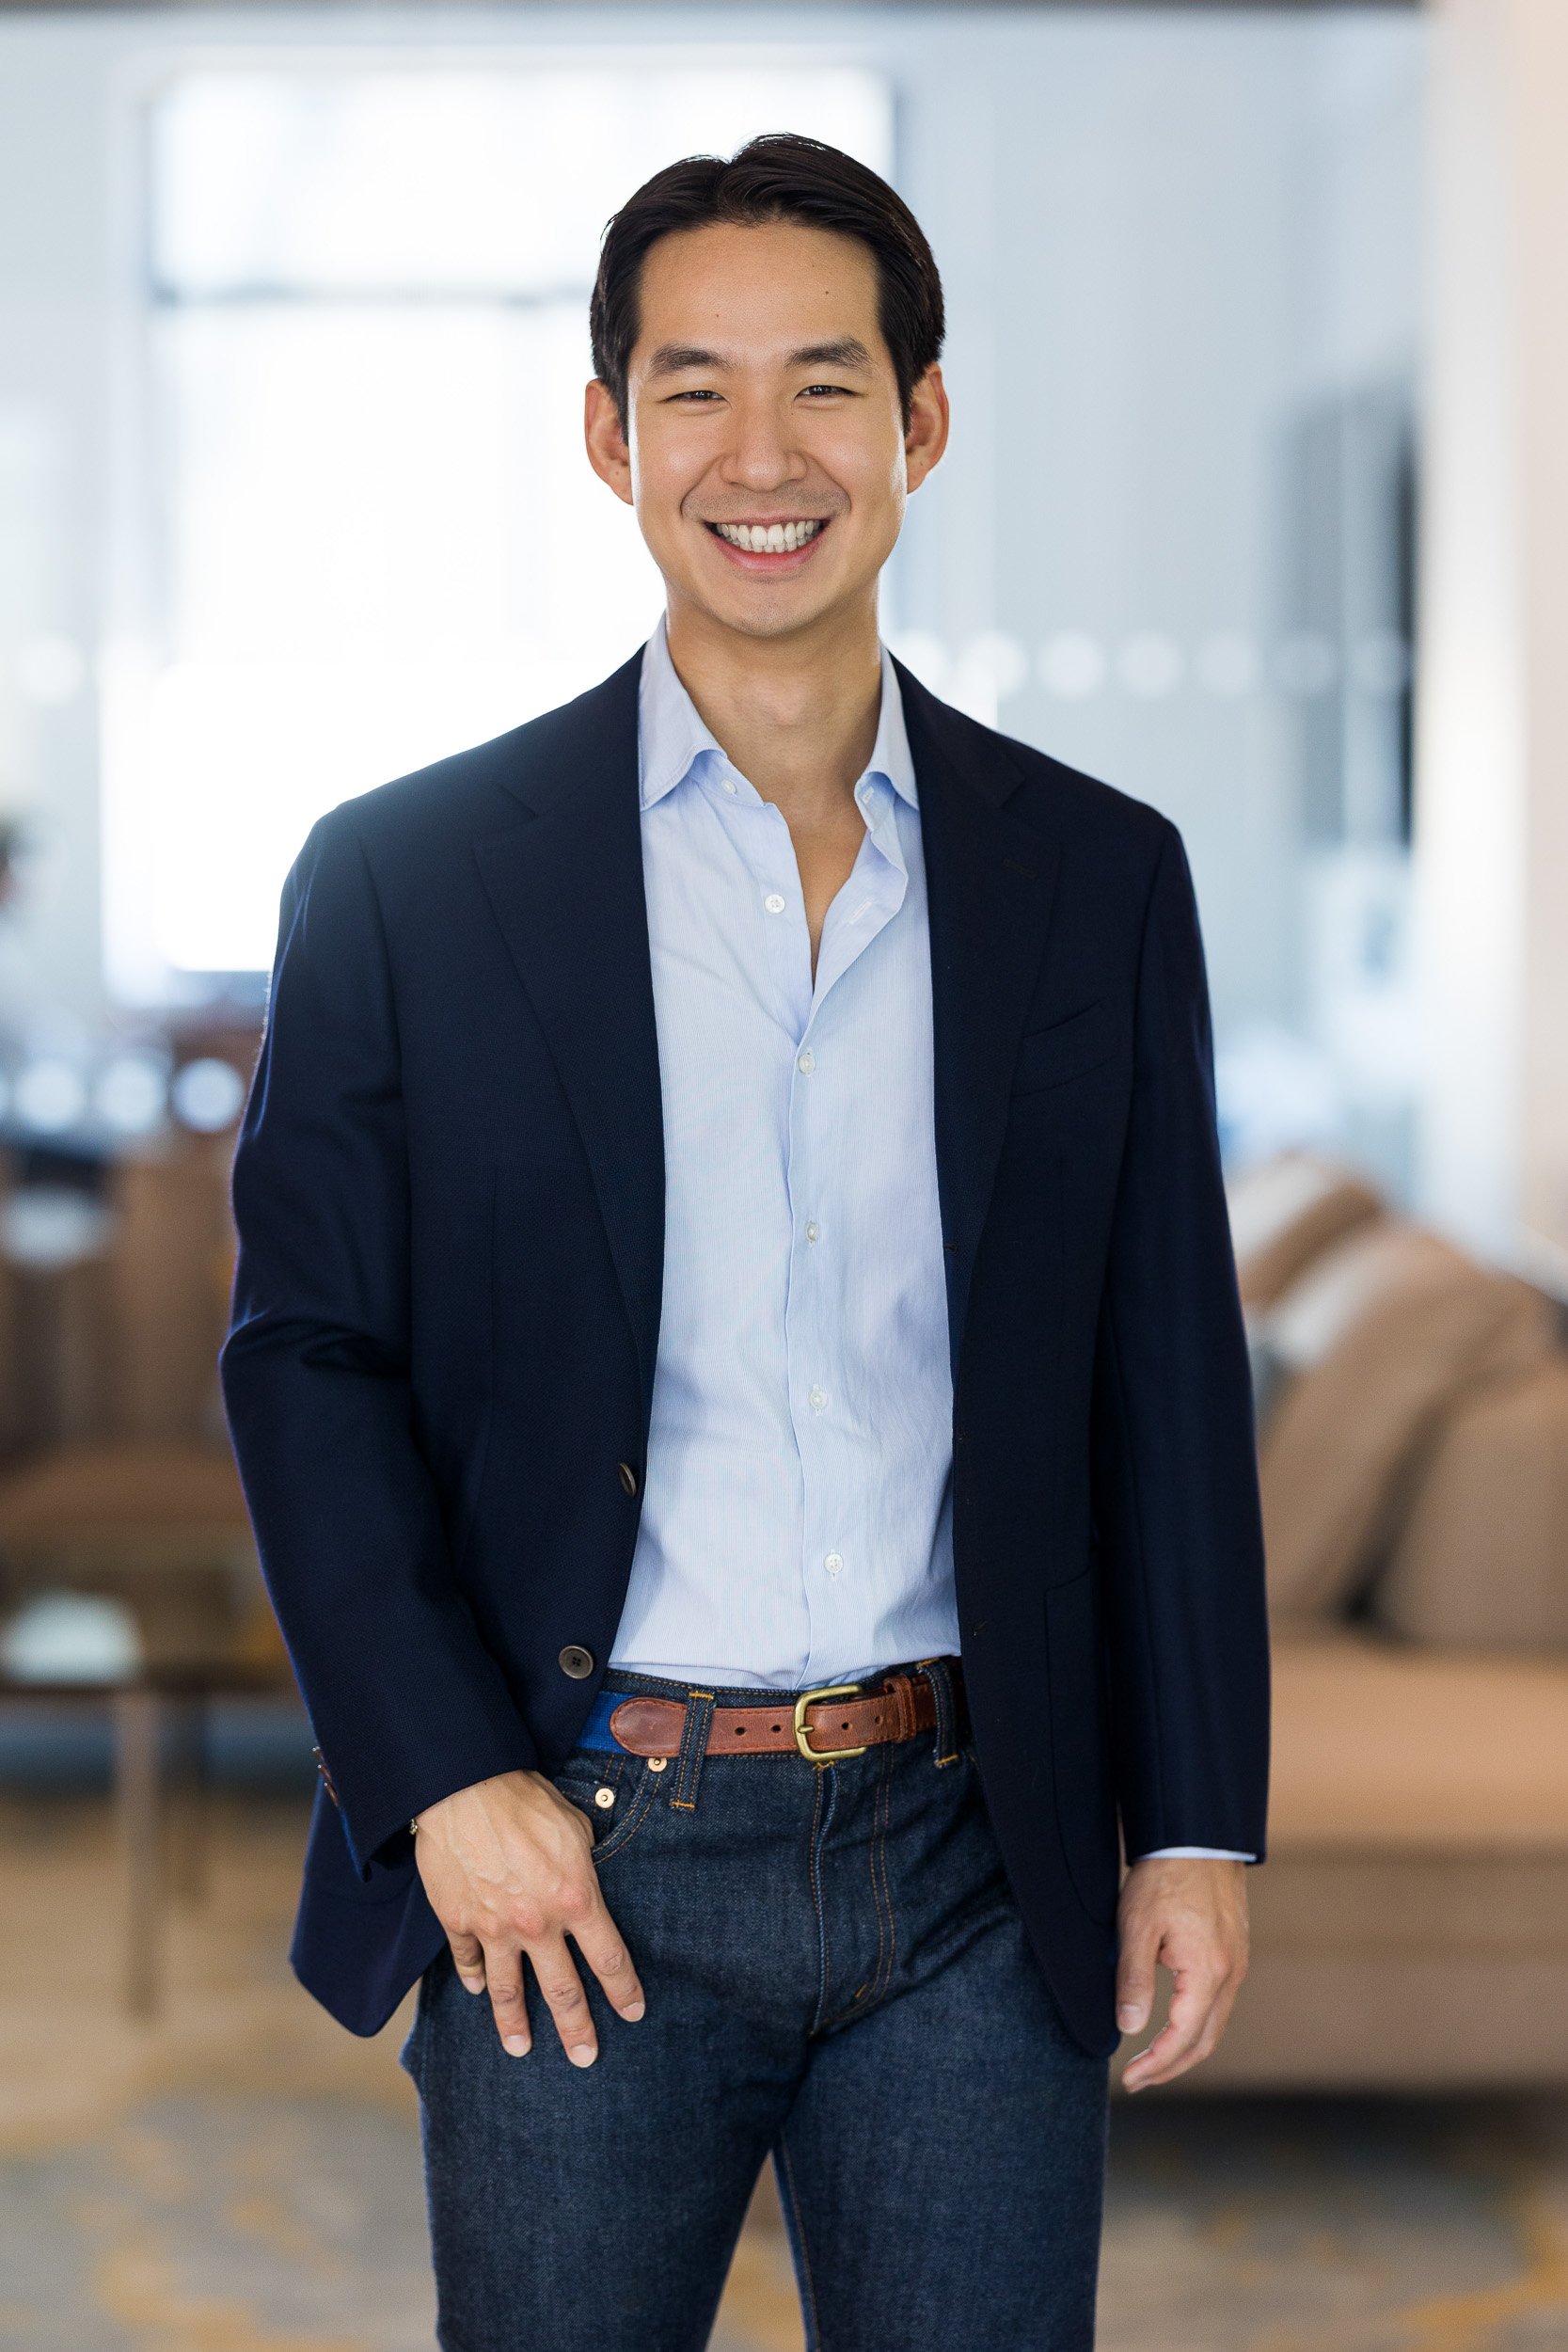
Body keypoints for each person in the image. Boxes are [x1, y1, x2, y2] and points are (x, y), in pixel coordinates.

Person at [221, 135, 1269, 2352]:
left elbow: (1160, 1367)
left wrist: (1197, 1816)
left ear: (927, 418)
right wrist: (441, 1779)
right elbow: (303, 1357)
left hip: (978, 1852)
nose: (761, 455)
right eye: (693, 390)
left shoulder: (1097, 878)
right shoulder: (405, 882)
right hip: (577, 1857)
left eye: (825, 382)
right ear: (610, 437)